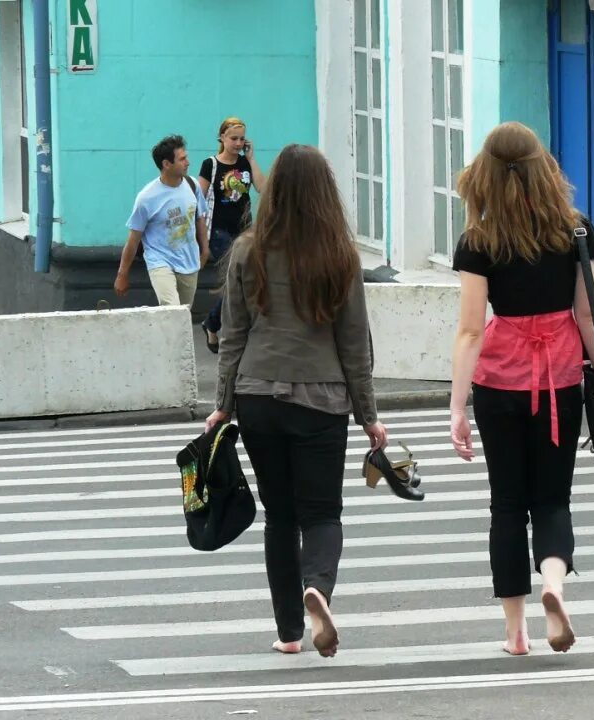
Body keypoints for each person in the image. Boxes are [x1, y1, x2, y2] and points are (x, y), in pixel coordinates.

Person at [205, 144, 388, 658]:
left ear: (276, 192)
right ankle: (318, 588)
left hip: (257, 397)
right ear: (325, 194)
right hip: (321, 402)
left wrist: (223, 404)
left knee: (279, 516)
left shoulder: (247, 250)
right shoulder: (340, 255)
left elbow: (232, 336)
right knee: (322, 514)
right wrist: (369, 416)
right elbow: (356, 346)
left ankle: (289, 632)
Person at [448, 121, 594, 656]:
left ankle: (516, 633)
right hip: (559, 380)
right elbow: (586, 314)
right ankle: (554, 586)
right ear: (545, 168)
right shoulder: (576, 230)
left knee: (507, 505)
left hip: (499, 383)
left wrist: (457, 407)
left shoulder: (478, 241)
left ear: (484, 176)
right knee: (553, 500)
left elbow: (470, 329)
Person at [114, 134, 209, 306]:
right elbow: (133, 239)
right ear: (166, 164)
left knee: (183, 315)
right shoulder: (146, 198)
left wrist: (205, 251)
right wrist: (122, 274)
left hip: (189, 261)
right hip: (160, 261)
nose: (188, 162)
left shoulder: (192, 185)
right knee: (171, 310)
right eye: (182, 159)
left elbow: (200, 219)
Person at [198, 116, 266, 353]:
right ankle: (220, 324)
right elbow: (198, 199)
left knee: (241, 281)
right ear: (222, 138)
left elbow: (262, 188)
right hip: (219, 231)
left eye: (241, 139)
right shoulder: (211, 164)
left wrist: (251, 159)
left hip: (245, 230)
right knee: (237, 279)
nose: (238, 143)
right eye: (233, 138)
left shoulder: (245, 163)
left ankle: (213, 323)